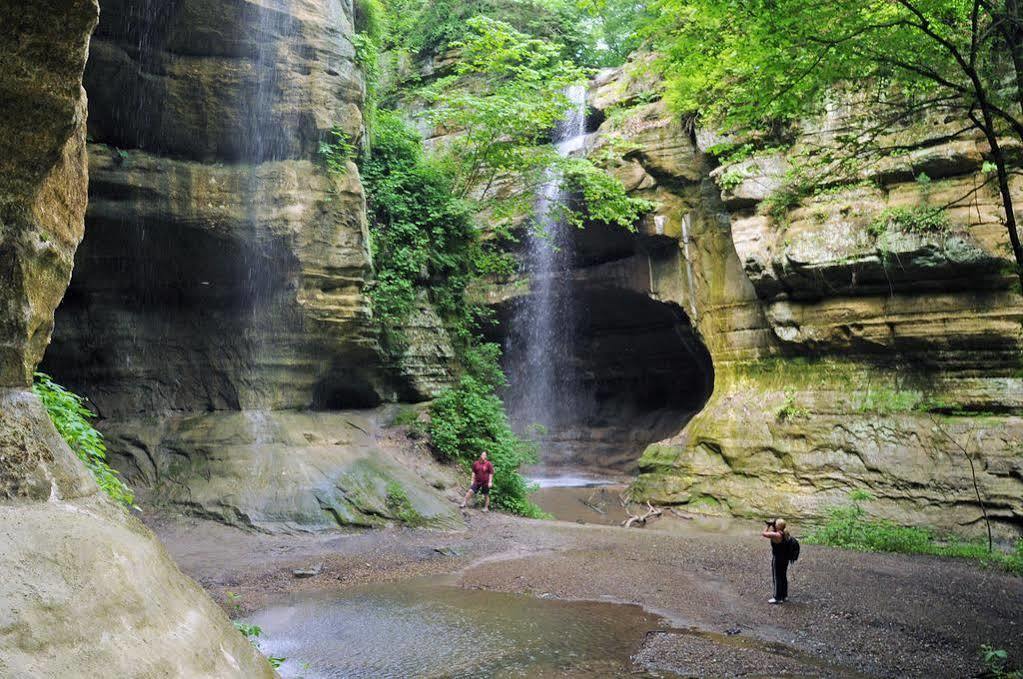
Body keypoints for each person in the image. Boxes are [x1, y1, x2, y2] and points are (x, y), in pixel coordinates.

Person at [762, 518, 791, 603]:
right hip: (785, 558)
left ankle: (777, 597)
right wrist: (775, 526)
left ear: (777, 526)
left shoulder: (776, 535)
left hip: (778, 558)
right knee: (783, 576)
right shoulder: (785, 533)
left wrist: (767, 526)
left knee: (777, 577)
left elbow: (764, 534)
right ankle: (784, 596)